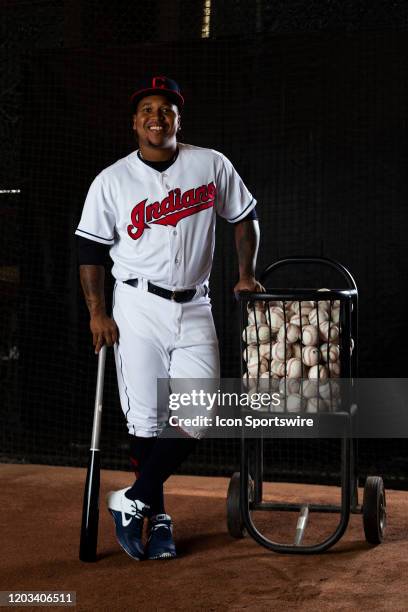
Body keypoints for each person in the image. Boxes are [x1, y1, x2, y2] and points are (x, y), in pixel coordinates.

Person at [75, 75, 263, 561]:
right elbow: (89, 249)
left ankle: (131, 499)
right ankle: (157, 519)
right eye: (147, 110)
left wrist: (246, 274)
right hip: (136, 307)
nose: (156, 117)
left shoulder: (210, 164)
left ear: (179, 118)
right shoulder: (111, 180)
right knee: (146, 421)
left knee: (199, 413)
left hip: (195, 304)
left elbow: (244, 216)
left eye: (166, 109)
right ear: (134, 122)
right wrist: (98, 312)